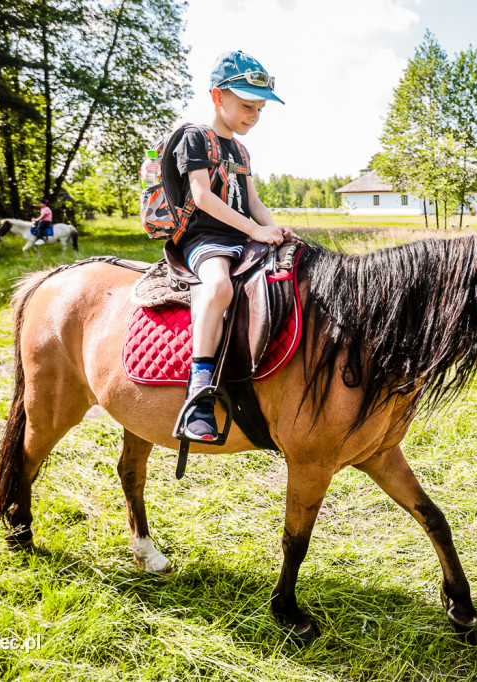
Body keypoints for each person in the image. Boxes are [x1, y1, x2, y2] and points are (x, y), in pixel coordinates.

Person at [175, 50, 293, 441]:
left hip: (243, 234)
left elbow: (254, 202)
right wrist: (253, 231)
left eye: (259, 109)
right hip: (205, 238)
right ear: (217, 97)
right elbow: (204, 196)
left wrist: (274, 229)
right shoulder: (196, 138)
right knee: (219, 286)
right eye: (246, 106)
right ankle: (200, 389)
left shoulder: (241, 151)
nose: (253, 117)